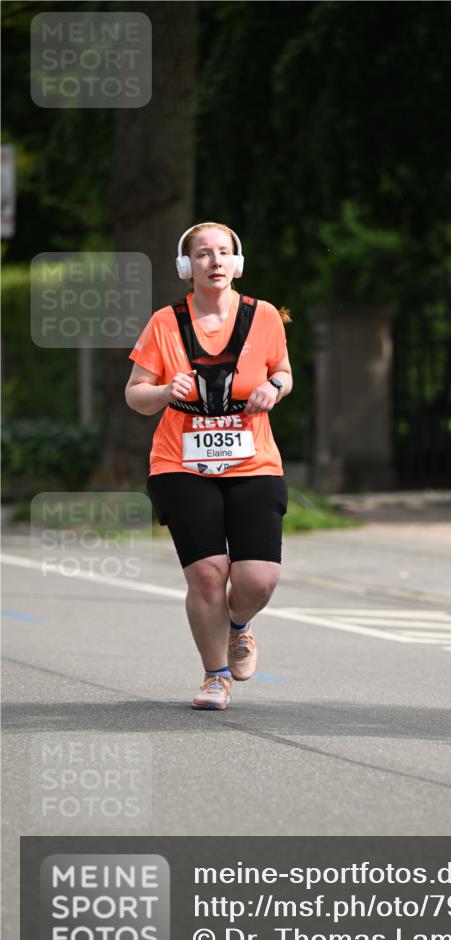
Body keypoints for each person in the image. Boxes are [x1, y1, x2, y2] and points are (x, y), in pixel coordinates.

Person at [125, 222, 292, 710]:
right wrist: (162, 391)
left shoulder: (263, 317)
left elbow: (283, 371)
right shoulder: (164, 323)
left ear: (236, 263)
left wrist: (274, 389)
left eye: (223, 253)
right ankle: (214, 675)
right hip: (180, 462)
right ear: (186, 266)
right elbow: (135, 394)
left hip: (252, 461)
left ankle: (239, 626)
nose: (214, 261)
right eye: (203, 254)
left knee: (258, 579)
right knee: (207, 573)